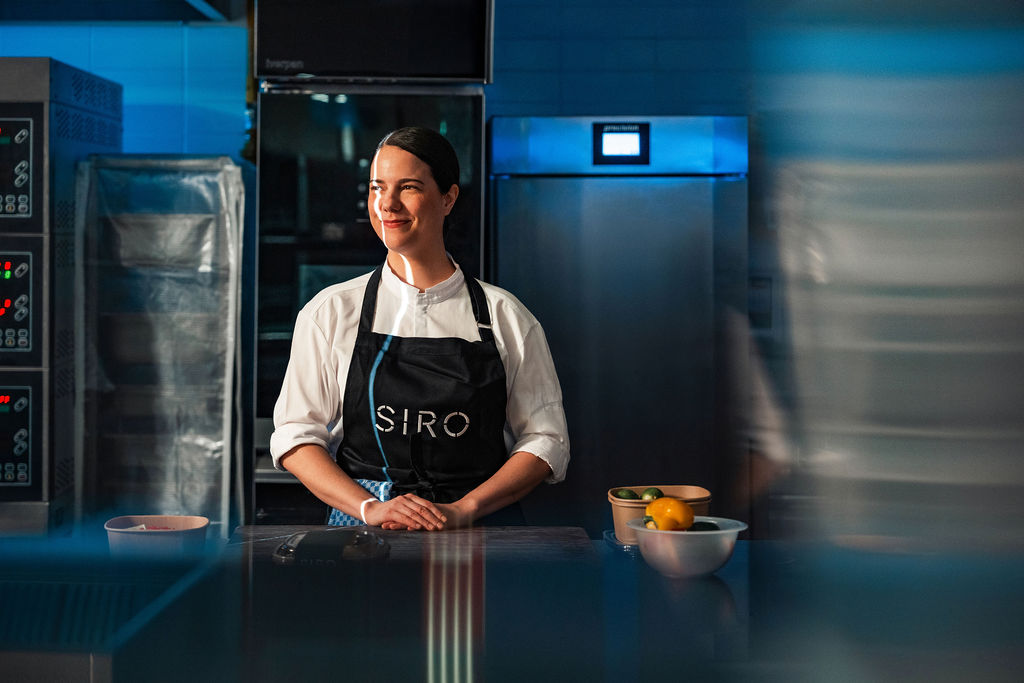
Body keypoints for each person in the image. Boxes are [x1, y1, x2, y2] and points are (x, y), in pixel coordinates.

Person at [270, 126, 569, 530]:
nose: (387, 205)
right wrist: (370, 508)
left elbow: (546, 440)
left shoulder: (505, 316)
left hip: (479, 531)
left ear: (448, 198)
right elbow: (296, 436)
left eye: (408, 187)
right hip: (363, 533)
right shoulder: (330, 312)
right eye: (378, 188)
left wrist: (465, 509)